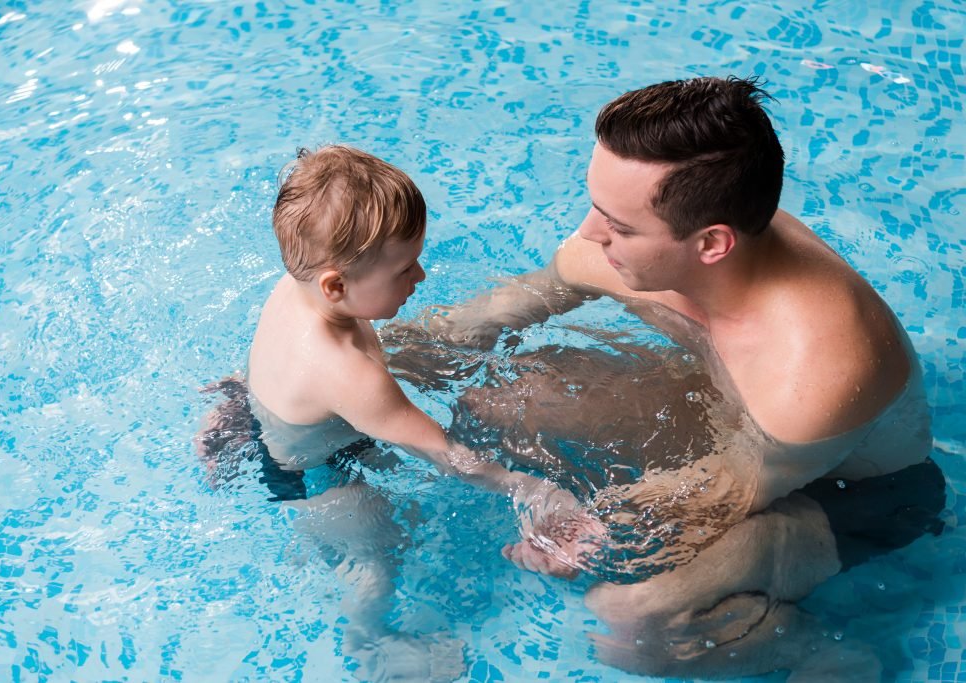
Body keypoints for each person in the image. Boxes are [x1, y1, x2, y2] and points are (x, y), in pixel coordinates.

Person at [389, 77, 943, 679]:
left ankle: (812, 650)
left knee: (628, 620)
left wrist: (573, 527)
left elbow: (703, 503)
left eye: (620, 227)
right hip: (732, 415)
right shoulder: (651, 232)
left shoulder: (816, 370)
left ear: (712, 244)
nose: (591, 233)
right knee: (506, 397)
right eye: (596, 205)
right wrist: (348, 363)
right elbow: (476, 324)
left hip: (852, 497)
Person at [196, 145, 582, 682]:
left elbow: (277, 365)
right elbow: (444, 455)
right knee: (376, 566)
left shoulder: (297, 286)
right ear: (336, 285)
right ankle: (368, 644)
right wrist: (531, 490)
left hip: (290, 431)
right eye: (404, 268)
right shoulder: (348, 374)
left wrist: (240, 400)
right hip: (318, 479)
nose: (420, 276)